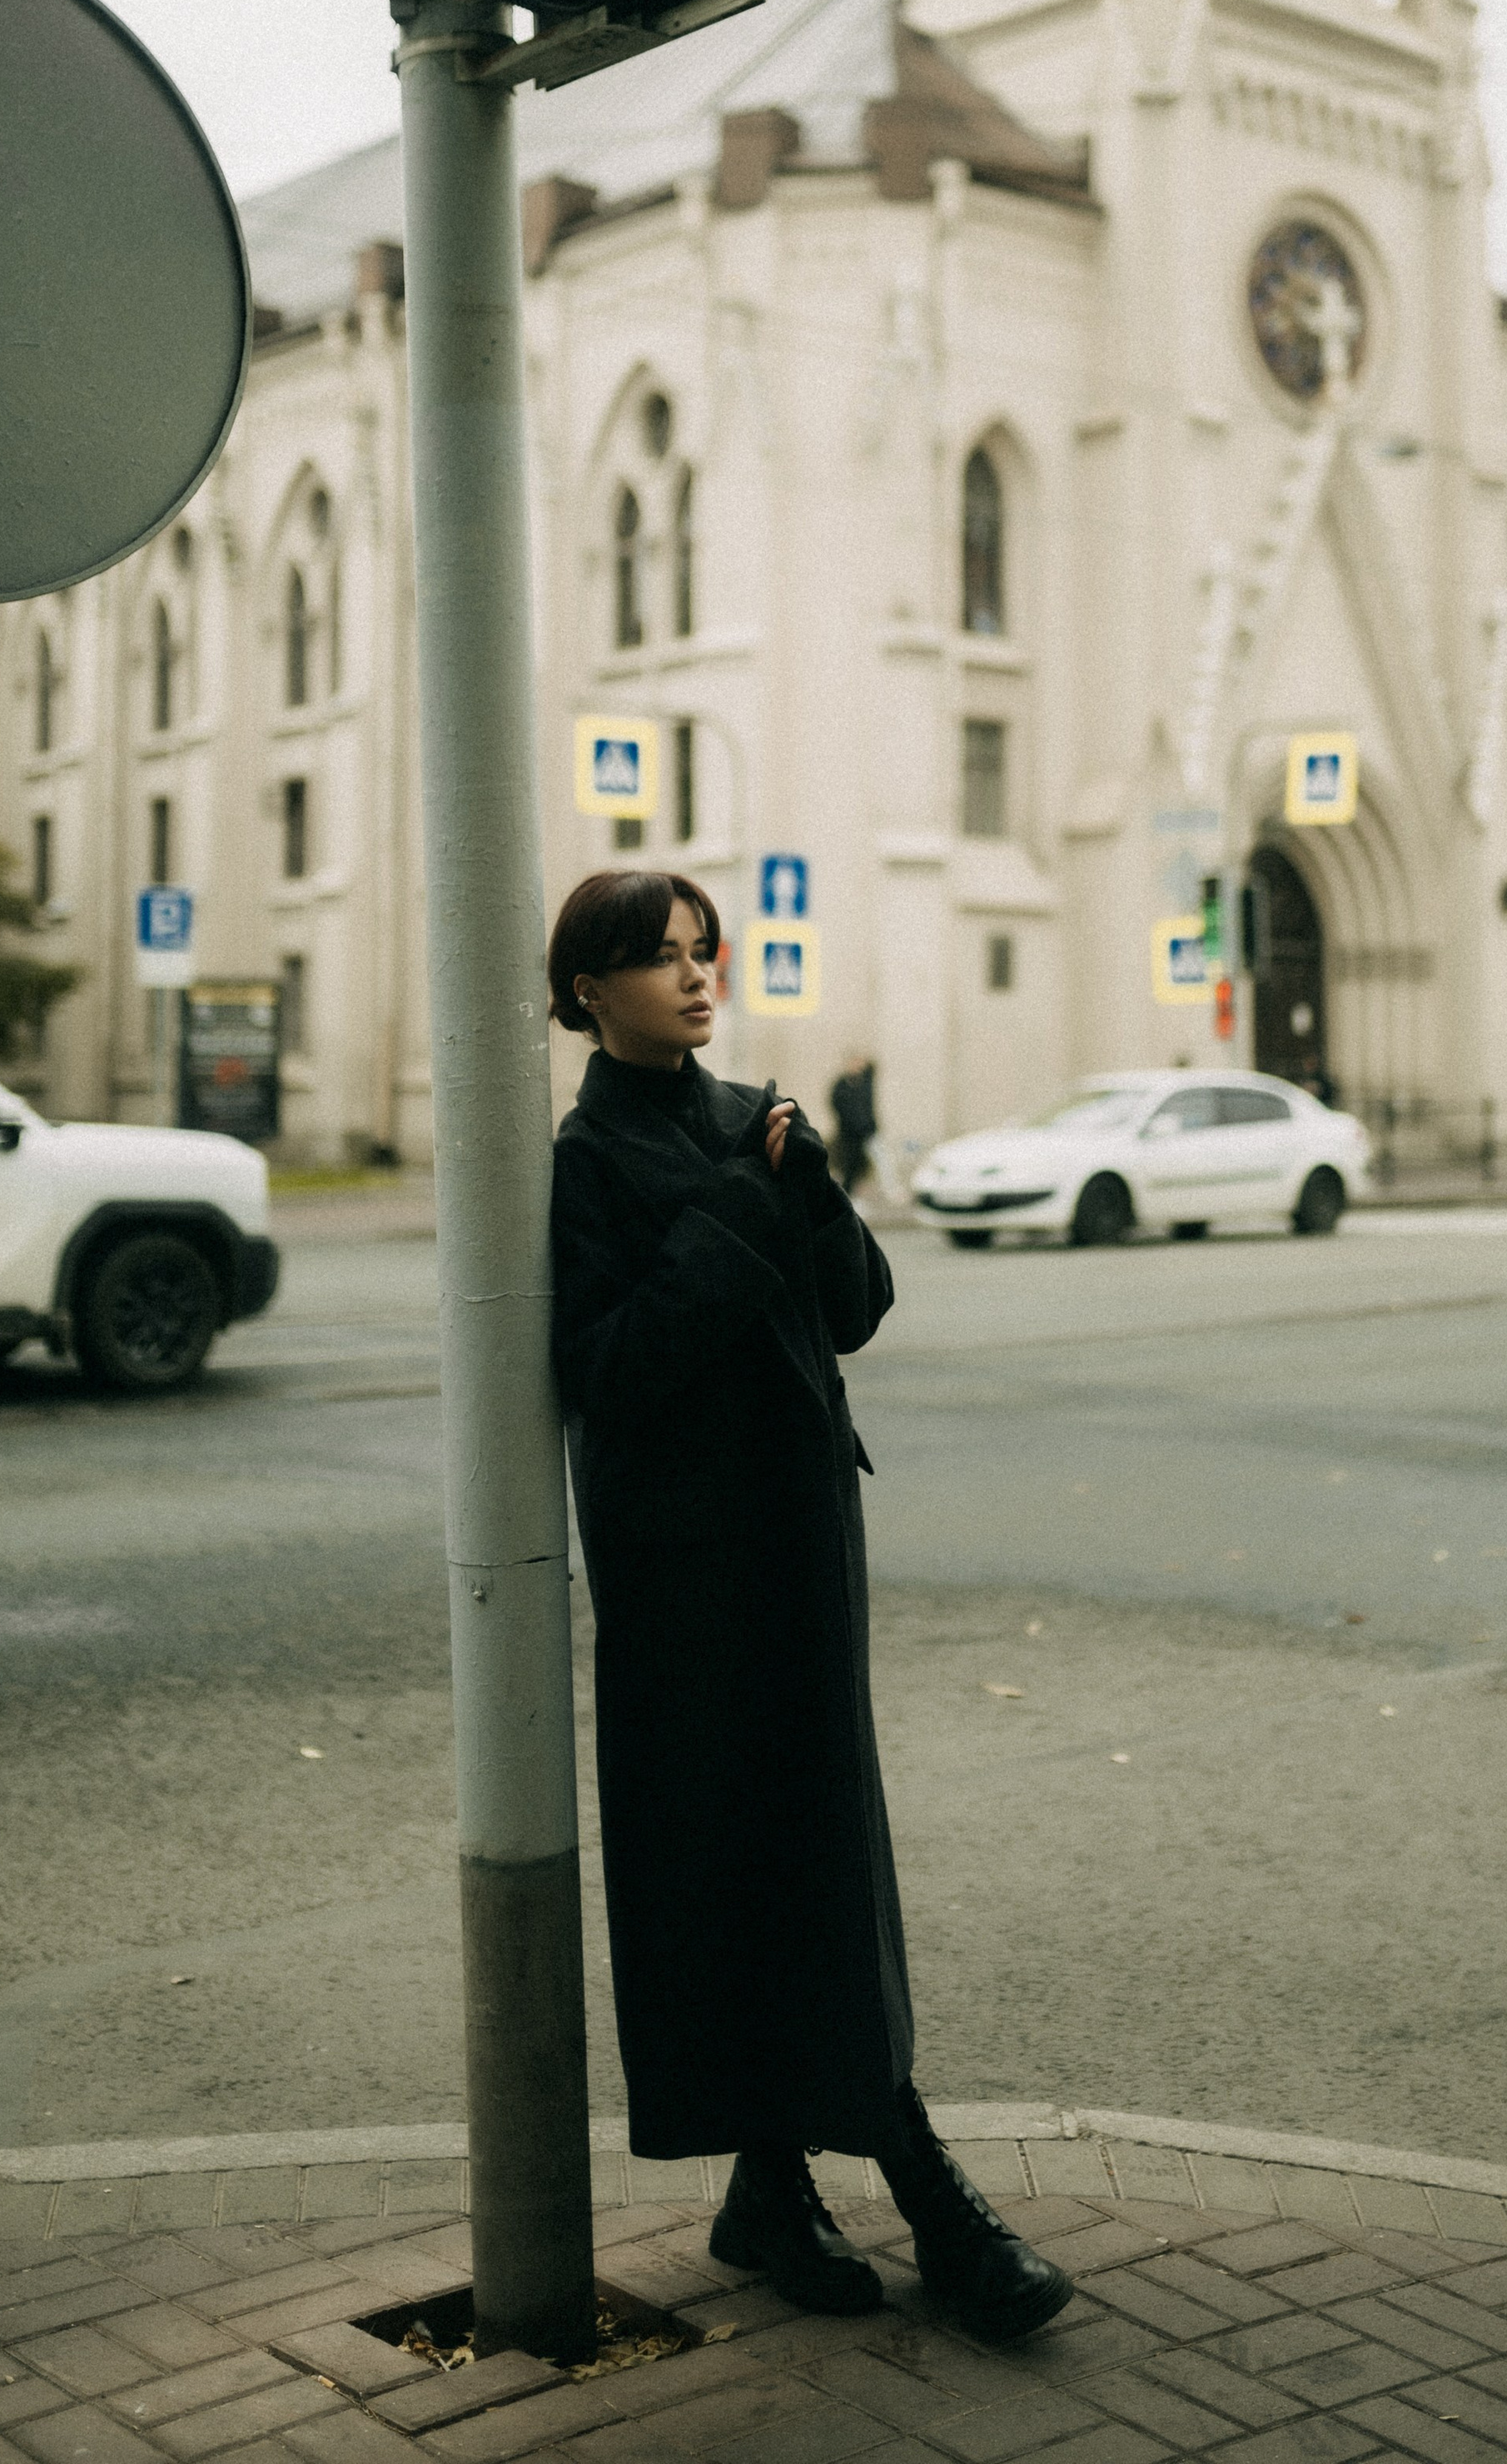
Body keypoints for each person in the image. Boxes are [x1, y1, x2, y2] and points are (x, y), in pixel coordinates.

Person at [547, 869, 1071, 2342]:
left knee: (808, 1859)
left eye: (703, 950)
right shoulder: (584, 1162)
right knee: (746, 1869)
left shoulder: (753, 1117)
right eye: (657, 959)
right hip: (686, 1575)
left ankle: (767, 2192)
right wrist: (734, 1211)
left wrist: (813, 1191)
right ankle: (937, 2212)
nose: (696, 975)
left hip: (798, 1548)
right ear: (586, 990)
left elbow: (852, 1308)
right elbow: (609, 1373)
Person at [829, 1053, 878, 1196]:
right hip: (849, 1132)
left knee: (870, 1161)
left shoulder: (864, 1084)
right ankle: (846, 1193)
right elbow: (837, 1104)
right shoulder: (842, 1085)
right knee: (849, 1164)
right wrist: (851, 1123)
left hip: (866, 1131)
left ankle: (851, 1192)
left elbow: (867, 1107)